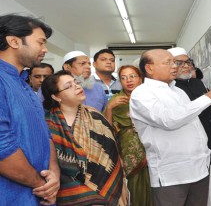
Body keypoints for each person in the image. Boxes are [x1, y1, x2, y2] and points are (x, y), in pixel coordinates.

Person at [130, 49, 211, 206]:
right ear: (149, 68)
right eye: (167, 62)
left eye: (174, 62)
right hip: (172, 175)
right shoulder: (141, 94)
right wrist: (207, 97)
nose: (174, 66)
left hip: (199, 170)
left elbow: (193, 125)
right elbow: (169, 119)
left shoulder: (177, 91)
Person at [42, 70, 128, 205]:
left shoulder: (96, 117)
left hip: (106, 185)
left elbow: (112, 154)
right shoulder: (48, 124)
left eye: (76, 82)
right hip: (70, 193)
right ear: (56, 97)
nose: (77, 86)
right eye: (68, 86)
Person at [0, 14, 60, 205]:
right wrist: (41, 185)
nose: (45, 49)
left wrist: (54, 173)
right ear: (14, 41)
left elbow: (45, 134)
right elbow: (2, 146)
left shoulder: (24, 84)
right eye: (40, 42)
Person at [168, 47, 211, 206]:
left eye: (188, 62)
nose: (187, 66)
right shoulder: (169, 90)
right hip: (191, 152)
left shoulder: (197, 83)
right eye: (180, 63)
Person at [104, 65, 153, 206]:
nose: (128, 80)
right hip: (128, 152)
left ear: (141, 78)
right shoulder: (116, 100)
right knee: (135, 188)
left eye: (132, 76)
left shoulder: (150, 97)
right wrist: (110, 108)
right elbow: (107, 130)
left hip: (153, 148)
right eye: (123, 78)